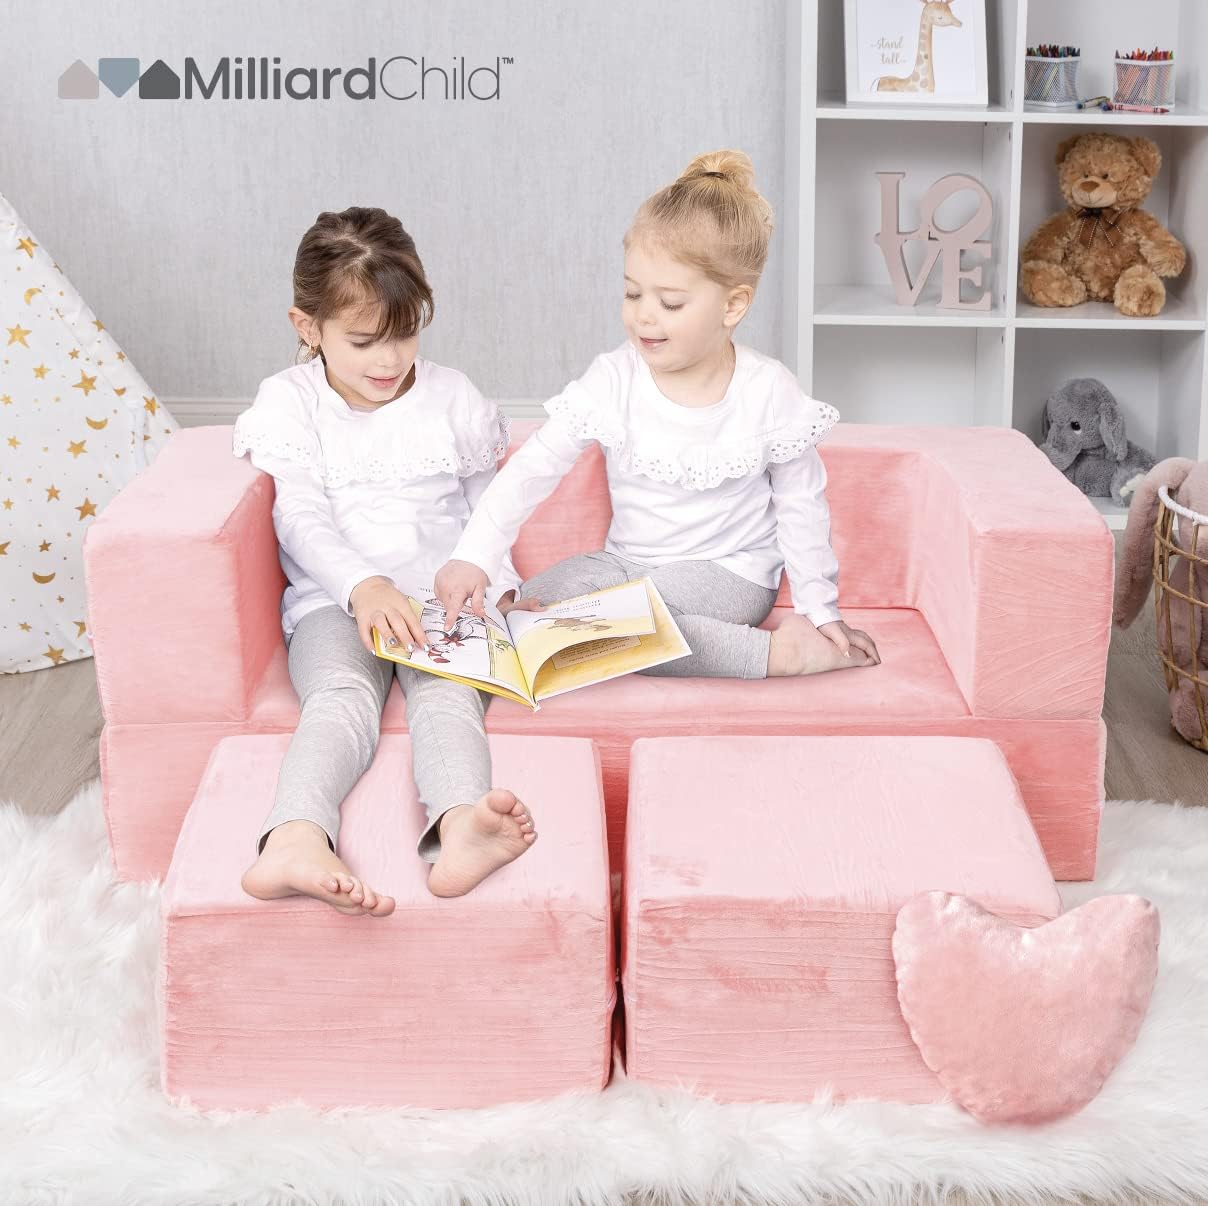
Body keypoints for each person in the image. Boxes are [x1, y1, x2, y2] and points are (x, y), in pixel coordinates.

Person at [435, 150, 881, 680]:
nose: (644, 315)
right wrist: (474, 557)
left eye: (670, 303)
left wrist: (818, 607)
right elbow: (533, 470)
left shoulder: (768, 392)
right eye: (632, 293)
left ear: (732, 306)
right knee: (535, 608)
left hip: (728, 573)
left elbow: (802, 505)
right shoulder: (613, 377)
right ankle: (581, 632)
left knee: (623, 624)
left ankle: (776, 656)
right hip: (624, 563)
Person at [233, 206, 542, 915]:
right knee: (339, 700)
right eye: (365, 340)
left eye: (405, 335)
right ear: (307, 328)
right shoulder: (291, 403)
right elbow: (299, 515)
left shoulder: (451, 396)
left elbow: (488, 510)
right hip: (337, 604)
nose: (389, 360)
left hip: (443, 604)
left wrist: (498, 586)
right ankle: (296, 837)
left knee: (447, 697)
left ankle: (462, 825)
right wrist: (362, 586)